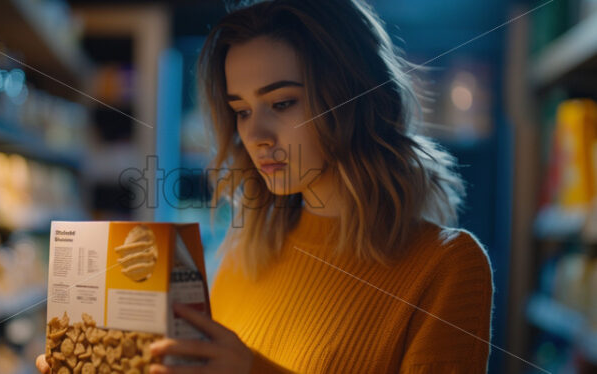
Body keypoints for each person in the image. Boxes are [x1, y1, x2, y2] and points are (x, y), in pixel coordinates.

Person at [37, 0, 494, 373]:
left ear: (356, 98)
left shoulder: (447, 267)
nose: (256, 137)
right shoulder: (242, 254)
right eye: (242, 110)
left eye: (282, 102)